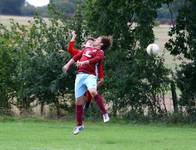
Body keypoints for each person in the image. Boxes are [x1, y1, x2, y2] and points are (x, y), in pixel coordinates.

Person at [63, 35, 112, 135]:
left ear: (101, 44)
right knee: (78, 102)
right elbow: (76, 57)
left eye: (97, 39)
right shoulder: (86, 49)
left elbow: (96, 60)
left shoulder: (100, 52)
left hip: (90, 76)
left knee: (93, 91)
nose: (95, 40)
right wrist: (67, 65)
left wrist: (85, 62)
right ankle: (79, 125)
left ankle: (104, 113)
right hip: (79, 76)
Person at [66, 31, 104, 112]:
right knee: (81, 94)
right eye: (89, 43)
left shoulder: (95, 53)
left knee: (90, 90)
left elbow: (99, 65)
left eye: (92, 43)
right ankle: (82, 109)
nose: (91, 44)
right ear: (84, 45)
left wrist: (101, 77)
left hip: (91, 73)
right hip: (81, 74)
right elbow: (69, 49)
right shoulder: (80, 52)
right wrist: (73, 37)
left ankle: (87, 103)